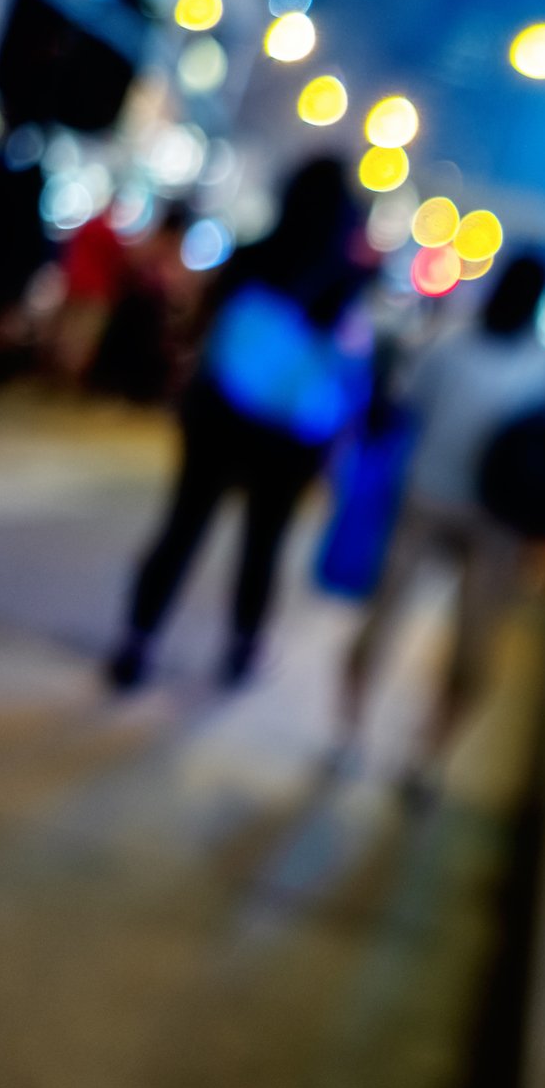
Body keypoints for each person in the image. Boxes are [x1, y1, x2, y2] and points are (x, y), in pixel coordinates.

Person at [110, 156, 376, 689]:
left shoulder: (254, 255)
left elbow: (206, 325)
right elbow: (349, 369)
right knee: (264, 545)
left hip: (219, 418)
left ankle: (137, 641)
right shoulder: (346, 281)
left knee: (182, 527)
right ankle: (241, 648)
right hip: (289, 438)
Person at [339, 255, 545, 788]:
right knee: (455, 645)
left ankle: (371, 742)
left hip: (446, 506)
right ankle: (412, 753)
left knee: (408, 627)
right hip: (474, 514)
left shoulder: (458, 347)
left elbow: (403, 405)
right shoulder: (542, 367)